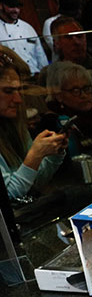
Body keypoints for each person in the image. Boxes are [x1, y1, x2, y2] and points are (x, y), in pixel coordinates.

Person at [0, 54, 65, 199]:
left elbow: (33, 183)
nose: (18, 99)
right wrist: (35, 155)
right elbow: (9, 198)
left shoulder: (13, 127)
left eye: (19, 90)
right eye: (8, 91)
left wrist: (52, 153)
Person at [0, 0, 47, 75]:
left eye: (18, 7)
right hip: (11, 79)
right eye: (11, 7)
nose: (16, 10)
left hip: (35, 75)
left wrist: (45, 74)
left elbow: (40, 55)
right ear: (0, 6)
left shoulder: (27, 28)